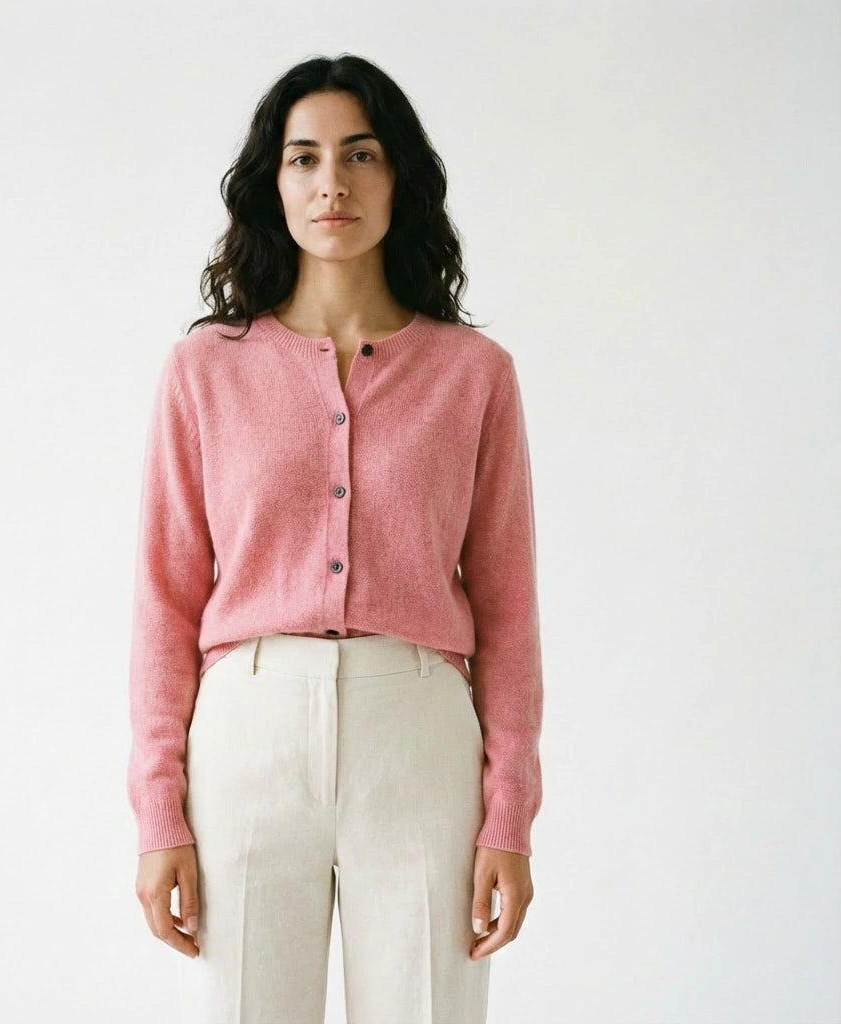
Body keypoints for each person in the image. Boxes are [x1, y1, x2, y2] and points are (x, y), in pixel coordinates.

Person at [127, 53, 544, 1024]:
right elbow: (164, 599)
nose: (332, 184)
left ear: (397, 175)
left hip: (420, 737)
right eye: (303, 158)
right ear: (272, 185)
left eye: (359, 155)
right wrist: (157, 812)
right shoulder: (205, 370)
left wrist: (509, 814)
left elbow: (509, 604)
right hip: (247, 731)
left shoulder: (472, 374)